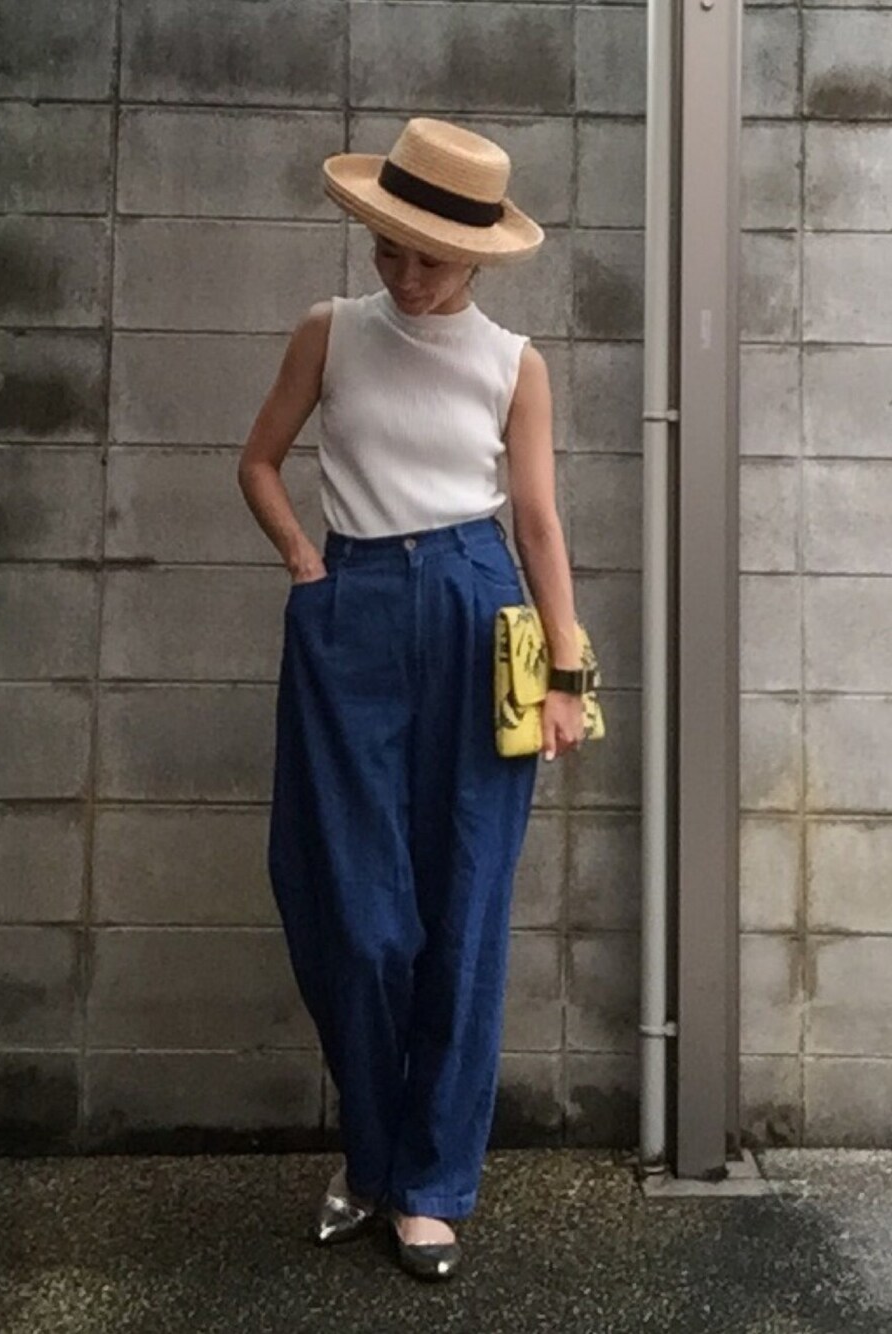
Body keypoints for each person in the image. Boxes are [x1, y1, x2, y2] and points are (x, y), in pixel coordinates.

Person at [237, 118, 586, 1282]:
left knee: (465, 905)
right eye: (389, 247)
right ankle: (374, 1148)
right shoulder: (329, 331)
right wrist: (305, 561)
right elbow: (257, 459)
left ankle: (426, 1183)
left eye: (430, 257)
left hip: (481, 608)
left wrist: (567, 673)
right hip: (352, 607)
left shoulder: (513, 363)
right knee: (350, 908)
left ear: (477, 254)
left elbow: (536, 522)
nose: (405, 273)